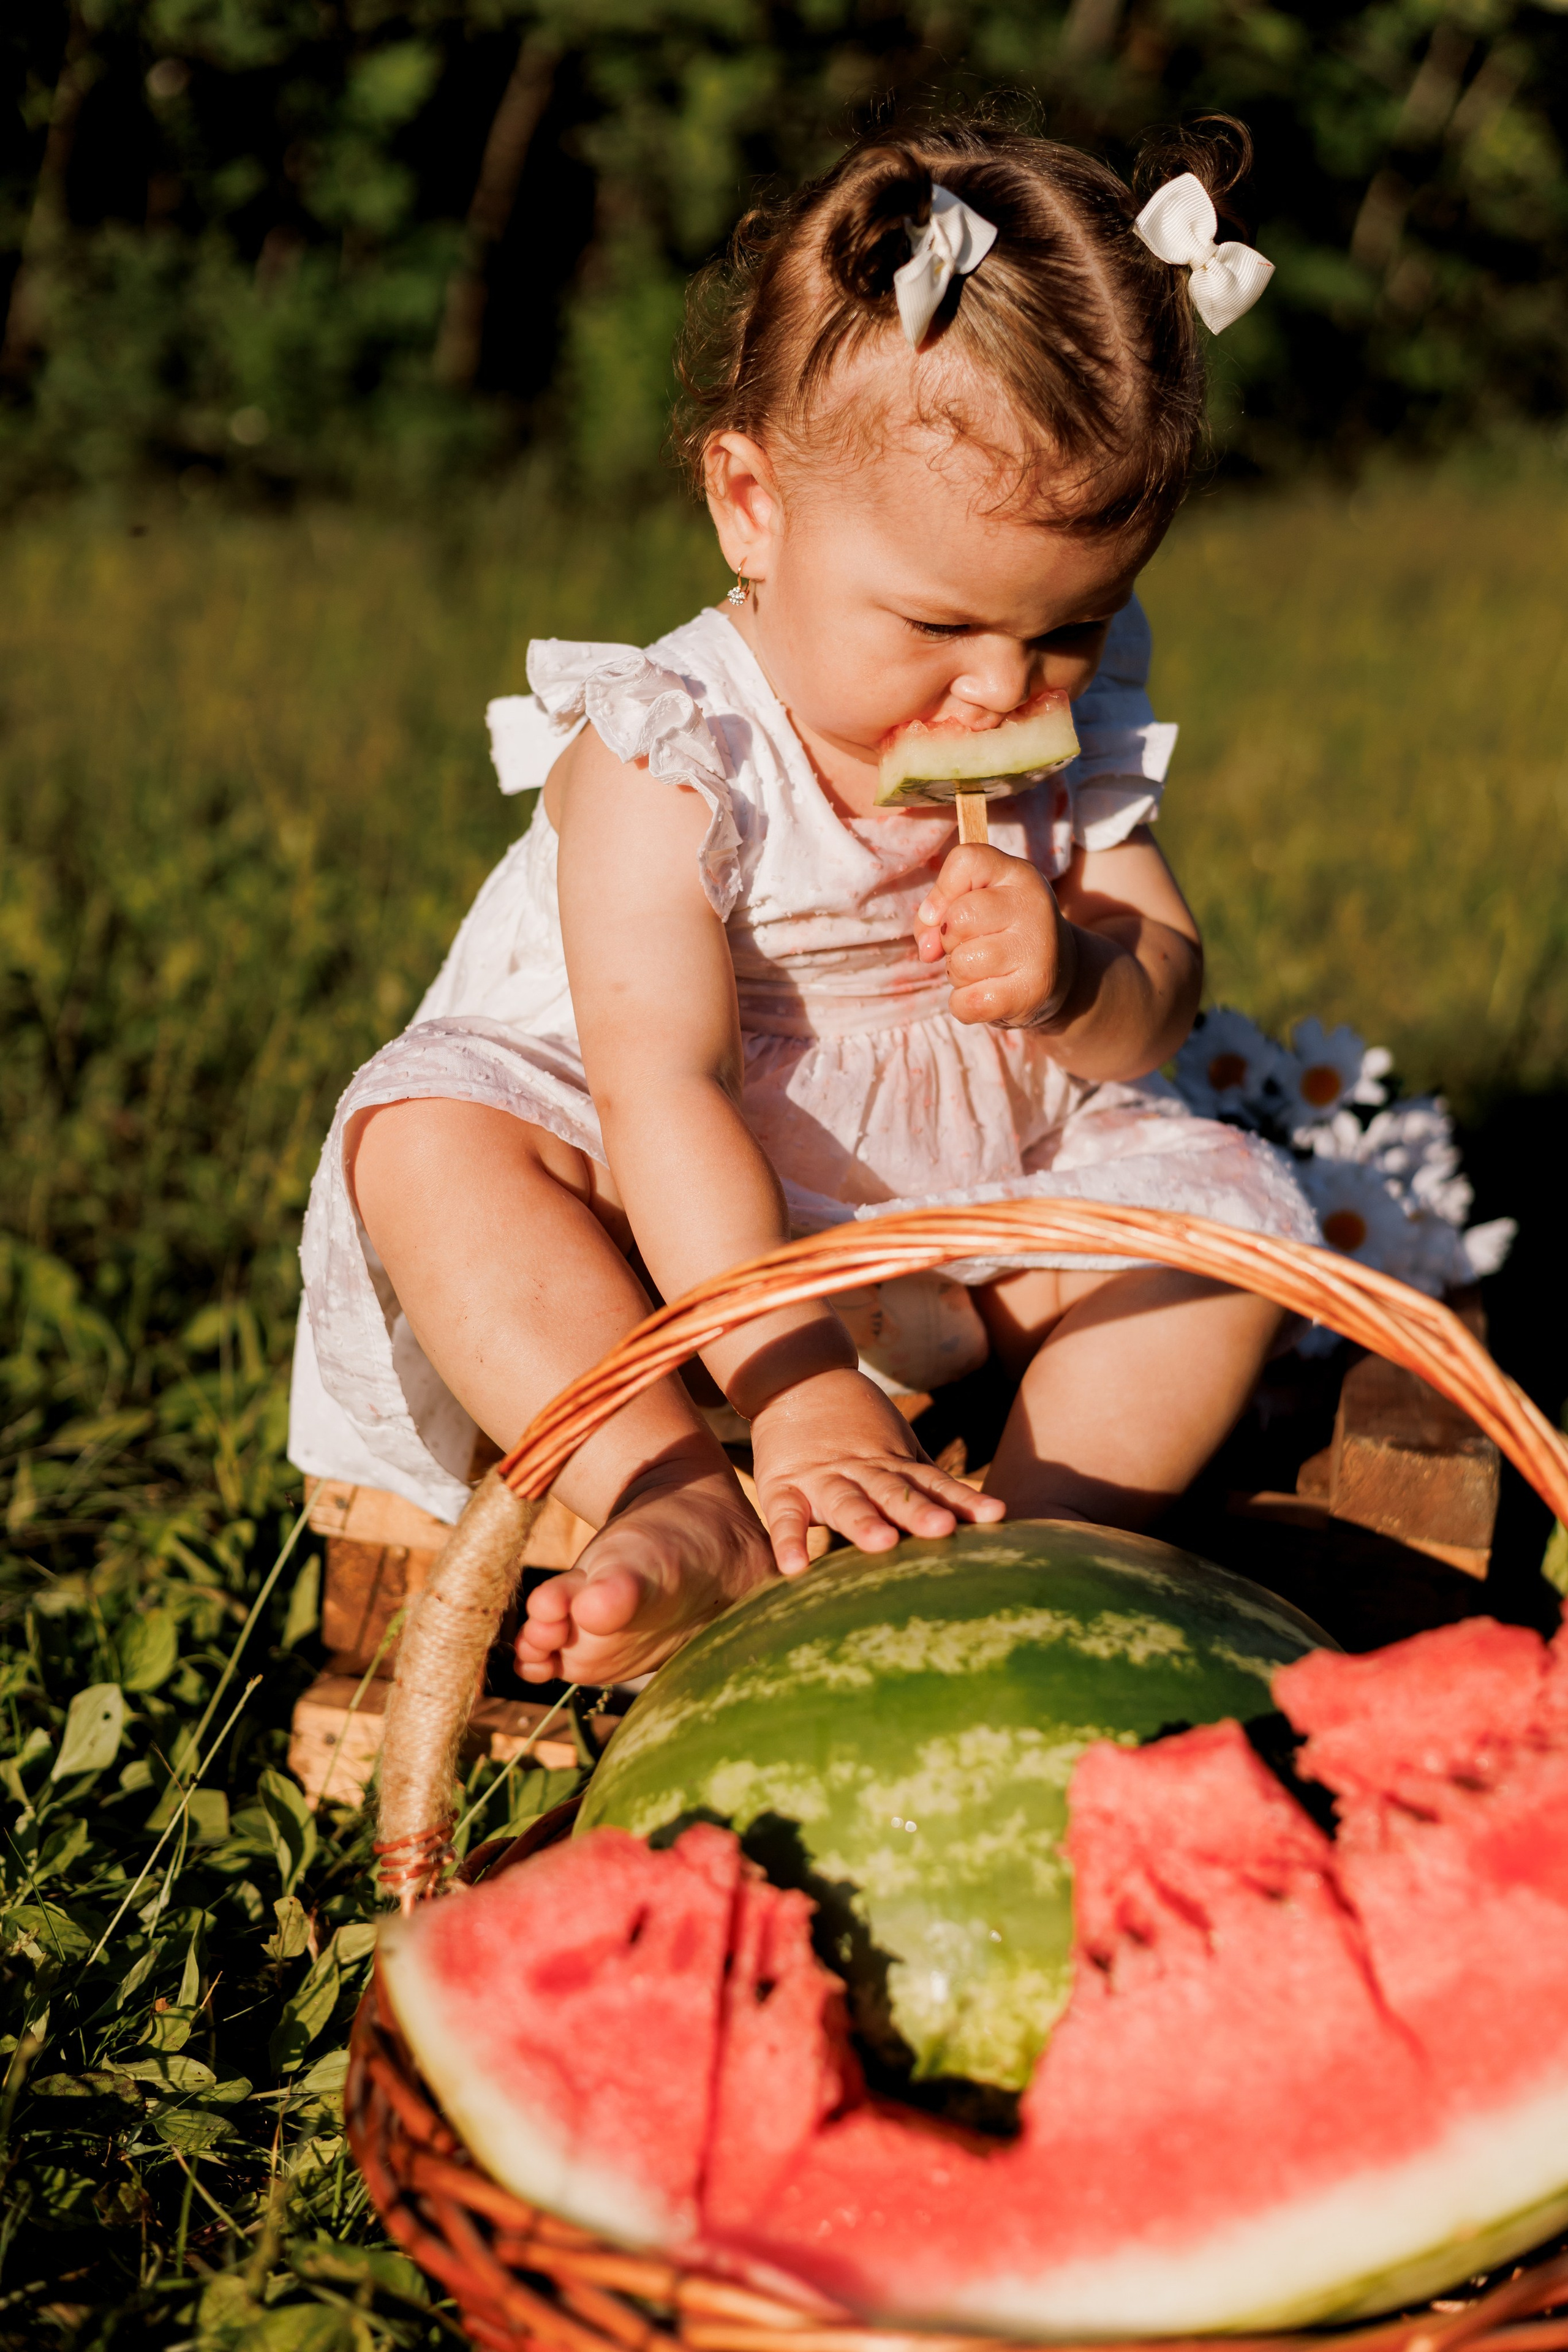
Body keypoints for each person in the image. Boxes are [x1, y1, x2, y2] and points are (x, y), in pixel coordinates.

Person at [288, 115, 1317, 1692]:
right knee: (427, 1142)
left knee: (1223, 1231)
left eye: (1070, 630)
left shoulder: (1070, 716)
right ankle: (671, 1495)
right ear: (750, 506)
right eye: (936, 622)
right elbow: (660, 1089)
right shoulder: (669, 748)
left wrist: (1072, 982)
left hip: (970, 1218)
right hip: (670, 1239)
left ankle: (1006, 1563)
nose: (1001, 686)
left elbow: (1157, 994)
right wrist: (792, 1386)